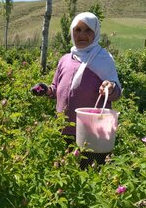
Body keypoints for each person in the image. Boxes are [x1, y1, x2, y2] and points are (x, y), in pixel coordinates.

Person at [32, 12, 122, 168]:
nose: (82, 35)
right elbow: (56, 89)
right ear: (72, 31)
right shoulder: (65, 59)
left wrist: (110, 87)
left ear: (96, 33)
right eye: (78, 29)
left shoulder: (103, 59)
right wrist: (46, 90)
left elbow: (116, 93)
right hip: (64, 129)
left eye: (88, 30)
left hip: (93, 133)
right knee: (65, 174)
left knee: (89, 175)